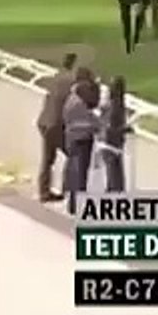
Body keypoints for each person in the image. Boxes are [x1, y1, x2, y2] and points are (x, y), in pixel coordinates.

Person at [36, 53, 78, 202]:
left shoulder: (56, 76)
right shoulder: (71, 82)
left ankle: (44, 192)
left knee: (47, 159)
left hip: (44, 122)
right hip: (55, 124)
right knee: (73, 155)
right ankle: (69, 191)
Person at [62, 75, 102, 215]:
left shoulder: (71, 100)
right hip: (81, 142)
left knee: (74, 173)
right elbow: (94, 124)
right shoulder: (79, 106)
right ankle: (77, 205)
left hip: (73, 140)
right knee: (79, 175)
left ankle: (73, 204)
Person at [100, 76, 133, 193]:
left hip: (108, 145)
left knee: (113, 181)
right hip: (111, 146)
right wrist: (125, 129)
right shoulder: (116, 105)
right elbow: (111, 128)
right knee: (116, 183)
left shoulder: (109, 102)